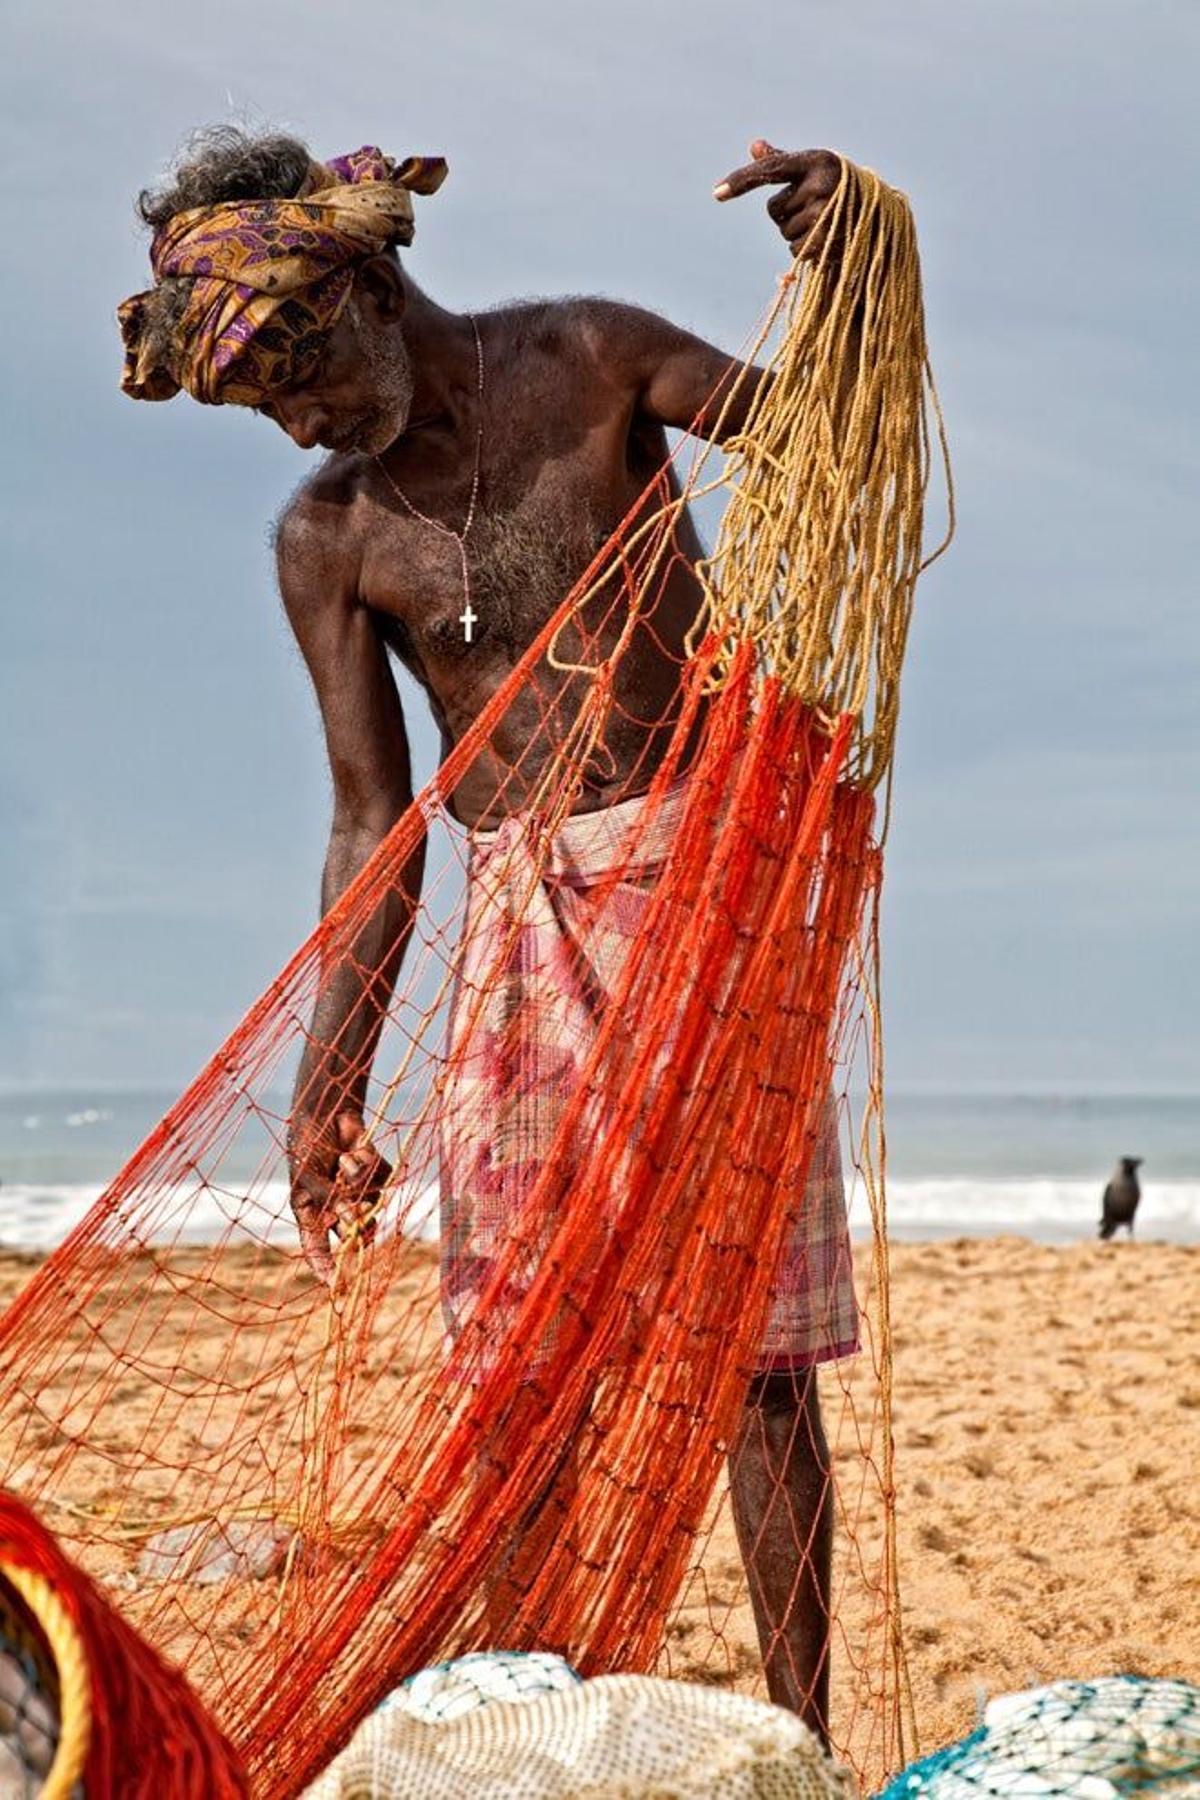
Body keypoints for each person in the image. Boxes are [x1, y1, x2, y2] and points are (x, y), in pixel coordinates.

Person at [119, 126, 863, 1737]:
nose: (299, 418)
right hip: (524, 935)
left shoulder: (588, 360)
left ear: (376, 281)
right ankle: (554, 1735)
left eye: (304, 366)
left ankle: (809, 1745)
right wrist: (329, 1083)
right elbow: (369, 826)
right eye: (265, 405)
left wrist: (844, 251)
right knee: (519, 1370)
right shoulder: (330, 540)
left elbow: (822, 430)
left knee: (753, 1360)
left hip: (713, 892)